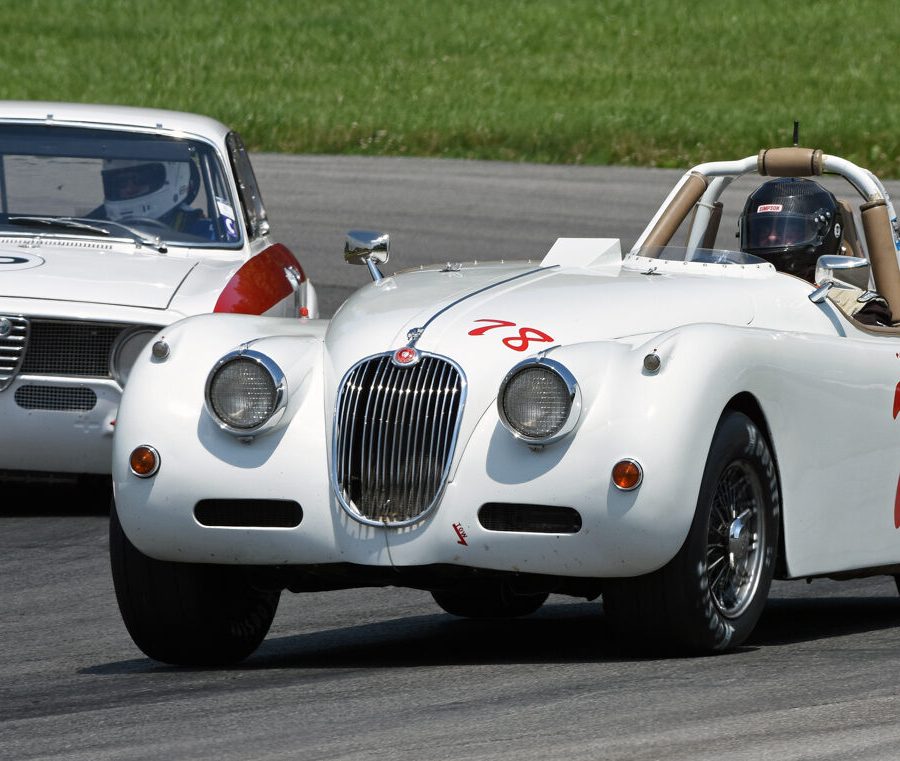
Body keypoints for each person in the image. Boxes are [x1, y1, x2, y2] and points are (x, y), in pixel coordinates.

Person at [739, 177, 894, 326]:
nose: (772, 237)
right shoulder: (736, 291)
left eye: (788, 231)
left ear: (824, 234)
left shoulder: (857, 306)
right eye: (763, 231)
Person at [100, 159, 211, 237]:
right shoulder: (97, 222)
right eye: (120, 182)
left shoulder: (202, 229)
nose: (129, 189)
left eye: (140, 179)